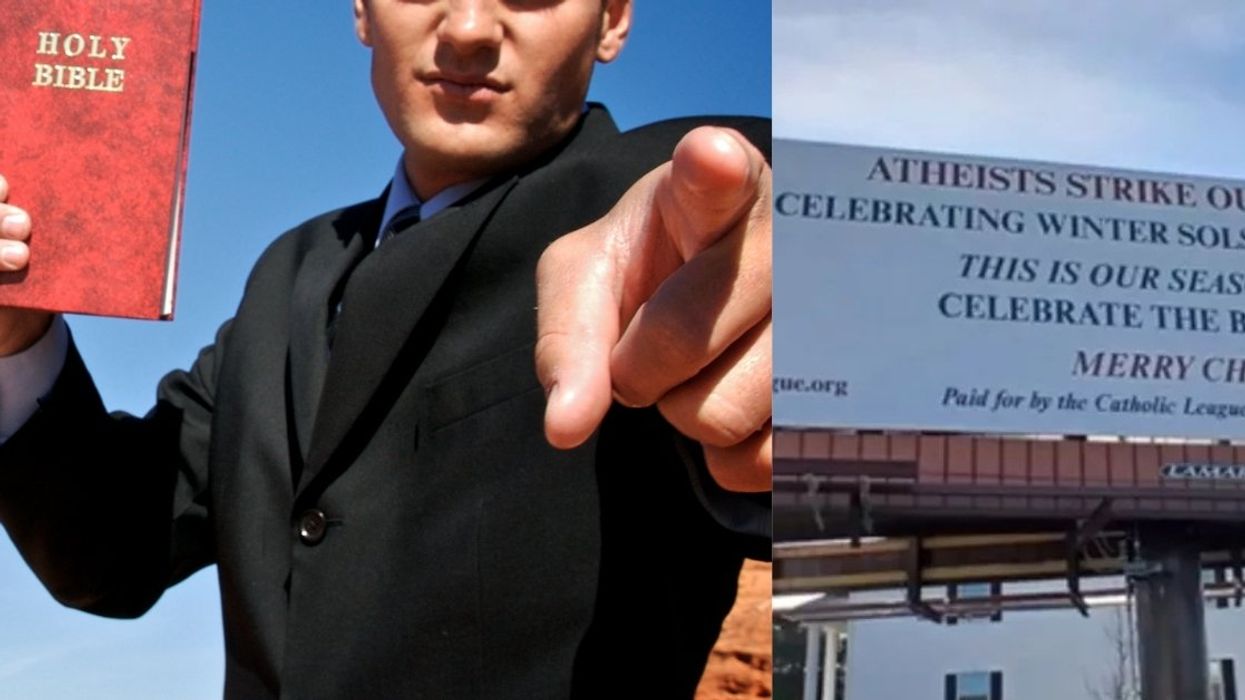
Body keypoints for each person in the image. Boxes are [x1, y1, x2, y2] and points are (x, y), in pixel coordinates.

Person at [0, 0, 771, 696]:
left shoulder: (666, 214)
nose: (468, 29)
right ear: (362, 11)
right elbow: (106, 550)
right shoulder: (288, 275)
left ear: (611, 21)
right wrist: (14, 333)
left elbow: (775, 210)